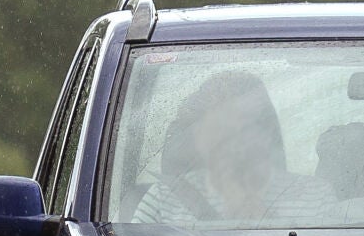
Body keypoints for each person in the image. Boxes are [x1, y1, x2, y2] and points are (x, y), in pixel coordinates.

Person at [131, 72, 337, 225]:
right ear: (198, 138)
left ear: (266, 133)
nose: (229, 142)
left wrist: (263, 221)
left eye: (242, 129)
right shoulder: (165, 197)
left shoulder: (315, 195)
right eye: (218, 130)